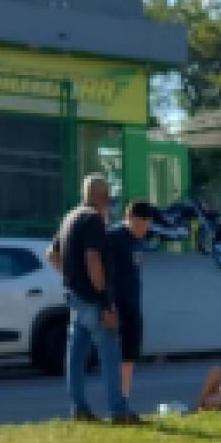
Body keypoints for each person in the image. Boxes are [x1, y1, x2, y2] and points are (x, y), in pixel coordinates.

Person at [47, 174, 138, 424]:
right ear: (103, 198)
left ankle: (79, 408)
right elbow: (93, 258)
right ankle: (118, 410)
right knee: (109, 352)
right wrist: (104, 301)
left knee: (76, 356)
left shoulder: (70, 217)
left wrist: (72, 277)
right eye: (109, 198)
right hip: (93, 299)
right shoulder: (93, 219)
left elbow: (52, 254)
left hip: (75, 296)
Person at [104, 200, 156, 402]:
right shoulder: (114, 237)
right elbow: (104, 272)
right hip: (117, 304)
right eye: (141, 225)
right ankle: (116, 400)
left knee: (130, 355)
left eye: (148, 225)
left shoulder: (138, 240)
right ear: (130, 218)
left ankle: (124, 399)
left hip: (133, 303)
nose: (144, 230)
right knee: (115, 355)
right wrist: (109, 303)